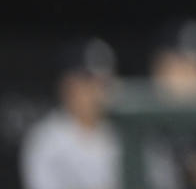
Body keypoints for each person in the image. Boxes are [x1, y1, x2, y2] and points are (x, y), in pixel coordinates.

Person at [20, 37, 121, 189]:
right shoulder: (46, 139)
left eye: (103, 82)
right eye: (87, 81)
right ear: (67, 84)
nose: (96, 91)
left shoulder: (126, 132)